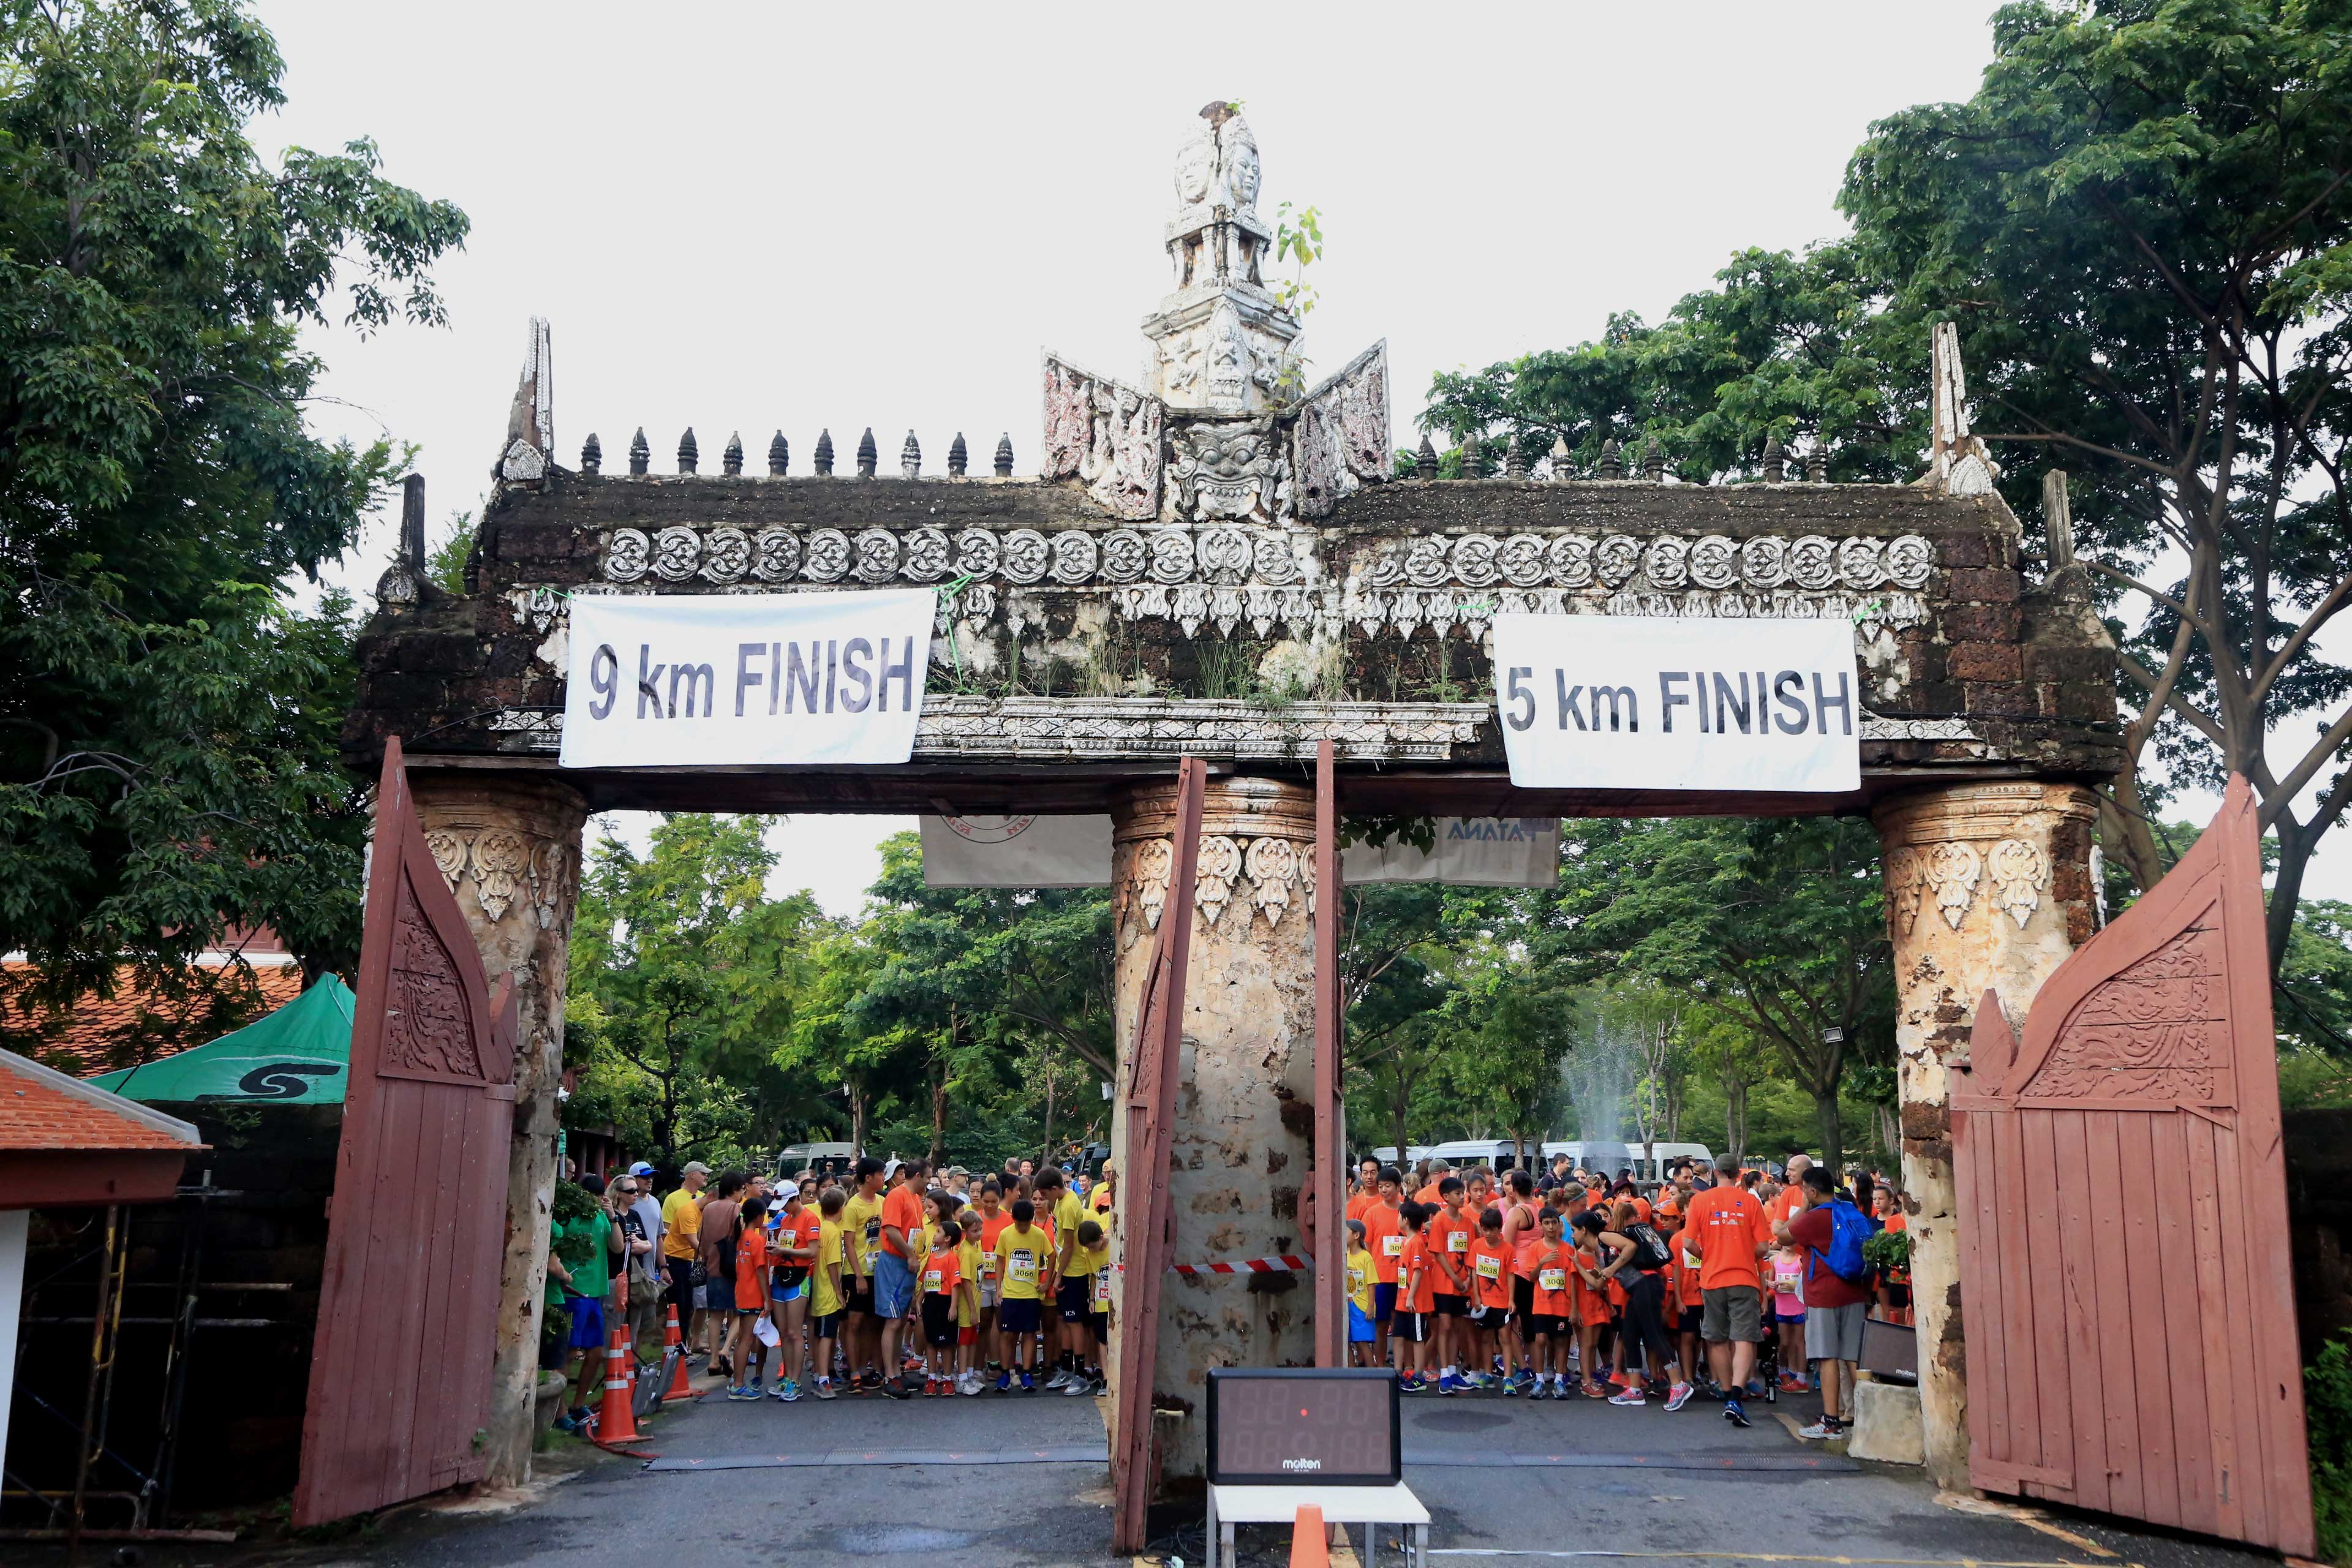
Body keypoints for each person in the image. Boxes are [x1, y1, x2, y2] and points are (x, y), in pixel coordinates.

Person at [1778, 1166, 1872, 1441]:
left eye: (1804, 1190)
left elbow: (1783, 1236)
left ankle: (1831, 1421)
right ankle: (1870, 1418)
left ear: (1813, 1191)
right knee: (1853, 1357)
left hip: (1823, 1295)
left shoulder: (1815, 1218)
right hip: (1854, 1292)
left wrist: (1805, 1206)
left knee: (1827, 1356)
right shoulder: (1851, 1212)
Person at [1577, 1206, 1693, 1410]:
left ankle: (1678, 1384)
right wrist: (1583, 1267)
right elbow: (1600, 1282)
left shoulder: (1604, 1236)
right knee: (1629, 1335)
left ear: (1584, 1230)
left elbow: (1630, 1247)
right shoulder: (1599, 1248)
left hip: (1646, 1285)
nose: (1574, 1234)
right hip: (1636, 1288)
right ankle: (1634, 1389)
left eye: (1575, 1230)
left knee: (1654, 1334)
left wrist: (1611, 1269)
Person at [1686, 1152, 1771, 1428]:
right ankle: (1737, 1395)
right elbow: (1764, 1247)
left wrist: (1707, 1254)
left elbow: (1688, 1243)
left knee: (1717, 1338)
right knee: (1745, 1337)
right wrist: (1745, 1249)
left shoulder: (1699, 1201)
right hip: (1744, 1276)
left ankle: (1725, 1395)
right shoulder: (1750, 1201)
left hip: (1712, 1278)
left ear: (1714, 1173)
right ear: (1739, 1175)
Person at [549, 1173, 622, 1431]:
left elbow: (617, 1247)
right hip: (572, 1293)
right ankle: (559, 1412)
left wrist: (612, 1216)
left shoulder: (603, 1217)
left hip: (596, 1293)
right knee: (568, 1352)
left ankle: (579, 1403)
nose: (593, 1203)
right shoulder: (567, 1218)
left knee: (595, 1353)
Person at [993, 1196, 1051, 1392]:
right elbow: (1000, 1260)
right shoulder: (1005, 1234)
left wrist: (1047, 1282)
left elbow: (1052, 1256)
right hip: (1010, 1294)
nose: (1024, 1228)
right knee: (1007, 1334)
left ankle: (1026, 1373)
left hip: (1031, 1295)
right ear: (1014, 1220)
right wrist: (998, 1288)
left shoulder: (1038, 1234)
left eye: (1027, 1224)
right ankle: (1005, 1373)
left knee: (1029, 1334)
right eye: (1020, 1224)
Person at [767, 1184, 820, 1401]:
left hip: (800, 1278)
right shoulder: (785, 1219)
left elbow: (812, 1251)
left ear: (795, 1199)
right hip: (781, 1276)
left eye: (786, 1204)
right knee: (784, 1332)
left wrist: (784, 1250)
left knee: (795, 1332)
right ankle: (788, 1377)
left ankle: (796, 1382)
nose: (784, 1208)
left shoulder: (809, 1219)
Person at [840, 1157, 888, 1392]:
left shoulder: (882, 1201)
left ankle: (871, 1368)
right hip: (856, 1272)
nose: (883, 1178)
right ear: (868, 1178)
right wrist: (858, 1276)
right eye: (880, 1174)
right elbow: (848, 1243)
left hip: (879, 1272)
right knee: (854, 1322)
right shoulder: (853, 1206)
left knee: (873, 1322)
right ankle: (854, 1371)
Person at [1041, 1167, 1091, 1392]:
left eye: (1045, 1194)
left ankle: (1080, 1375)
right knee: (1064, 1321)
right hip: (1065, 1270)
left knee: (1074, 1322)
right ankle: (1066, 1369)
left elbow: (1069, 1245)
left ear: (1054, 1188)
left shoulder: (1070, 1205)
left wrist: (1058, 1275)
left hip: (1075, 1272)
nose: (1044, 1199)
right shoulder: (1060, 1202)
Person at [1426, 1177, 1473, 1393]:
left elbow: (1471, 1253)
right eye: (1458, 1193)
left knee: (1457, 1327)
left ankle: (1453, 1371)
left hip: (1463, 1284)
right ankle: (1443, 1372)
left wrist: (1468, 1279)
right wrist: (1454, 1277)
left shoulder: (1468, 1223)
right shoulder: (1439, 1221)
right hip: (1444, 1284)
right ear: (1446, 1197)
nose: (1462, 1196)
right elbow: (1438, 1252)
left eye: (1463, 1192)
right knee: (1444, 1327)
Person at [698, 1170, 745, 1380]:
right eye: (742, 1189)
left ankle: (713, 1360)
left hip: (712, 1266)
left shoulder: (708, 1209)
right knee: (742, 1312)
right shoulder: (736, 1209)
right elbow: (742, 1235)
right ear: (735, 1190)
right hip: (732, 1267)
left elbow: (701, 1237)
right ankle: (727, 1350)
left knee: (715, 1315)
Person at [660, 1161, 709, 1355]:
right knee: (680, 1303)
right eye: (702, 1173)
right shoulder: (673, 1199)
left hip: (696, 1259)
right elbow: (666, 1230)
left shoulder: (705, 1199)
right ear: (691, 1175)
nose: (706, 1176)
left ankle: (693, 1341)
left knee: (697, 1303)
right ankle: (679, 1345)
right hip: (677, 1257)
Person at [726, 1193, 771, 1400]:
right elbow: (761, 1271)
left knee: (743, 1339)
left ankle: (737, 1382)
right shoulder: (758, 1241)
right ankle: (738, 1385)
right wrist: (767, 1299)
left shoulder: (740, 1237)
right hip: (753, 1296)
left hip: (741, 1293)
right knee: (747, 1340)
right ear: (760, 1217)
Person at [1526, 1207, 1574, 1398]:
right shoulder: (1535, 1248)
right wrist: (1542, 1262)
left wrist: (1574, 1307)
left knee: (1561, 1341)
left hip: (1562, 1305)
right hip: (1541, 1304)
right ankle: (1539, 1380)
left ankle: (1559, 1381)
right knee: (1540, 1340)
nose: (1551, 1227)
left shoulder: (1567, 1249)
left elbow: (1571, 1279)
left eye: (1554, 1222)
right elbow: (1531, 1276)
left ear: (1559, 1224)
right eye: (1547, 1223)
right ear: (1541, 1225)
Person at [918, 1213, 966, 1396]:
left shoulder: (952, 1258)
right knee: (930, 1342)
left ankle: (947, 1378)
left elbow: (955, 1284)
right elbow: (925, 1280)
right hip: (931, 1302)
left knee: (947, 1344)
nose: (935, 1233)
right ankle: (931, 1378)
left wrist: (953, 1307)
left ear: (947, 1239)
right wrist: (919, 1299)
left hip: (945, 1302)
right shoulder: (931, 1257)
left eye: (938, 1232)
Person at [1362, 1167, 1407, 1362]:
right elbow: (1368, 1247)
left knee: (1402, 1324)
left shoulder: (1408, 1211)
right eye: (1381, 1186)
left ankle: (1406, 1367)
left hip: (1405, 1278)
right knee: (1380, 1325)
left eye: (1388, 1186)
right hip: (1380, 1278)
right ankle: (1380, 1366)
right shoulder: (1372, 1213)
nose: (1383, 1190)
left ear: (1399, 1187)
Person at [808, 1186, 848, 1400]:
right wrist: (838, 1292)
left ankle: (820, 1376)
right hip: (827, 1293)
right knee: (826, 1336)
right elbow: (833, 1265)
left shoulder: (822, 1227)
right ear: (841, 1208)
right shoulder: (832, 1231)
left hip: (820, 1290)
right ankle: (823, 1379)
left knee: (823, 1335)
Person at [1468, 1207, 1513, 1389]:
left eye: (1490, 1230)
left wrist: (1511, 1300)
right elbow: (1475, 1272)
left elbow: (1511, 1275)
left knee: (1505, 1339)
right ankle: (1488, 1374)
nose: (1486, 1233)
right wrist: (1477, 1297)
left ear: (1498, 1230)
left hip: (1502, 1302)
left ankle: (1508, 1378)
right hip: (1484, 1303)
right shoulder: (1477, 1245)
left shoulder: (1508, 1249)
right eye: (1483, 1229)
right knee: (1486, 1339)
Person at [1392, 1201, 1434, 1393]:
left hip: (1414, 1302)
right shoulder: (1406, 1241)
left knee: (1417, 1338)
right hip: (1403, 1299)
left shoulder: (1416, 1242)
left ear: (1406, 1220)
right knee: (1399, 1336)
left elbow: (1417, 1272)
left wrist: (1410, 1297)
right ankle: (1397, 1372)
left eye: (1400, 1216)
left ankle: (1418, 1376)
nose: (1397, 1219)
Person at [1769, 1234, 1809, 1393]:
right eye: (1786, 1242)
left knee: (1800, 1342)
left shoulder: (1800, 1260)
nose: (1789, 1245)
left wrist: (1795, 1288)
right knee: (1784, 1342)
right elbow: (1768, 1281)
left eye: (1792, 1241)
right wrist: (1771, 1284)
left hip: (1798, 1306)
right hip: (1782, 1307)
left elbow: (1806, 1283)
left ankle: (1801, 1377)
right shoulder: (1775, 1260)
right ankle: (1783, 1371)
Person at [1344, 1219, 1378, 1368]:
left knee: (1363, 1342)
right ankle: (1351, 1375)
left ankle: (1373, 1376)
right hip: (1349, 1305)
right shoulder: (1345, 1256)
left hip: (1362, 1306)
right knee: (1347, 1342)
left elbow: (1371, 1283)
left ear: (1356, 1235)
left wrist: (1370, 1306)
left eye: (1346, 1232)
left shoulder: (1366, 1257)